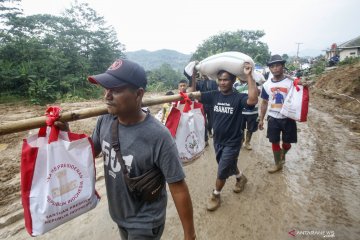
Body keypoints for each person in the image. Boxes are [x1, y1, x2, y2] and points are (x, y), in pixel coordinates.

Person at [57, 59, 196, 240]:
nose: (107, 95)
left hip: (145, 222)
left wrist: (189, 235)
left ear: (138, 94)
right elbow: (90, 152)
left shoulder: (159, 137)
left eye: (115, 90)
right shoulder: (105, 121)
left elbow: (178, 187)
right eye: (106, 89)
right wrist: (66, 134)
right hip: (119, 214)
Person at [188, 63, 258, 211]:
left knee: (222, 170)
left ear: (233, 81)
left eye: (225, 80)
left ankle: (216, 195)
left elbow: (252, 100)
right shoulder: (214, 95)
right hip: (218, 141)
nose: (222, 82)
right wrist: (193, 75)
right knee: (227, 165)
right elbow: (192, 96)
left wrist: (249, 75)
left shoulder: (238, 97)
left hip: (233, 142)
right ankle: (240, 178)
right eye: (219, 79)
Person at [258, 54, 298, 174]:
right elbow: (264, 102)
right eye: (272, 66)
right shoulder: (266, 85)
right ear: (270, 68)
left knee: (287, 143)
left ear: (283, 66)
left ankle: (282, 154)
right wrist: (261, 119)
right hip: (273, 118)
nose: (275, 68)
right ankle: (278, 164)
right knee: (274, 141)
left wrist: (302, 84)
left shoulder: (291, 82)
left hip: (288, 117)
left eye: (278, 65)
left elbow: (300, 96)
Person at [233, 76, 261, 150]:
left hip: (252, 112)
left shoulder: (254, 83)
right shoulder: (235, 84)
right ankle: (241, 141)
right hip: (240, 112)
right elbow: (233, 97)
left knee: (251, 128)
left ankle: (247, 142)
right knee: (240, 128)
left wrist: (253, 84)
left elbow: (258, 94)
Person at [188, 74, 218, 140]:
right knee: (203, 120)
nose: (204, 76)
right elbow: (195, 90)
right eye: (203, 75)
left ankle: (209, 130)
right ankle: (205, 136)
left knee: (211, 120)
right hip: (202, 104)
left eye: (205, 74)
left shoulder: (213, 82)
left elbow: (216, 92)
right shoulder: (199, 82)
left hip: (211, 104)